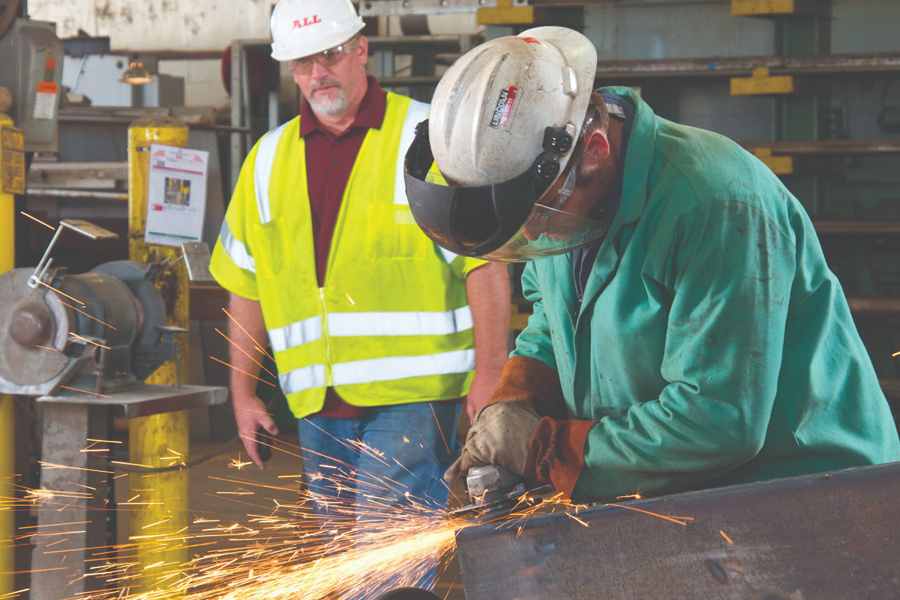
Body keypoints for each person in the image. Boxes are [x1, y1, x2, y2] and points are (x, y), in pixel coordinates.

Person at [404, 26, 900, 503]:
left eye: (537, 213)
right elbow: (553, 322)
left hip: (808, 490)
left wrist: (546, 449)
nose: (531, 233)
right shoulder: (566, 199)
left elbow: (717, 419)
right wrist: (516, 398)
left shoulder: (717, 203)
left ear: (594, 150)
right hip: (685, 493)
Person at [210, 0, 509, 520]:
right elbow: (247, 285)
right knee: (343, 556)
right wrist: (241, 392)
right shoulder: (266, 161)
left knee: (385, 551)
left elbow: (485, 262)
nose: (317, 73)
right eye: (302, 62)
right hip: (316, 405)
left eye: (329, 54)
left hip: (414, 398)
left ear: (361, 50)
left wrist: (491, 374)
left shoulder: (426, 139)